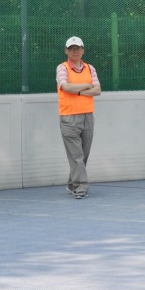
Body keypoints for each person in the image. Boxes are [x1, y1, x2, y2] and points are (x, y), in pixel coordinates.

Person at [56, 36, 101, 199]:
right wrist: (87, 86)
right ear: (66, 51)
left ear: (83, 50)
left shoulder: (90, 68)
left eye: (78, 48)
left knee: (83, 154)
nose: (75, 51)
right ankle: (81, 187)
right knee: (77, 156)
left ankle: (72, 183)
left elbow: (98, 90)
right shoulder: (62, 68)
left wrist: (79, 91)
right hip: (69, 117)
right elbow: (66, 86)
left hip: (88, 116)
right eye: (71, 48)